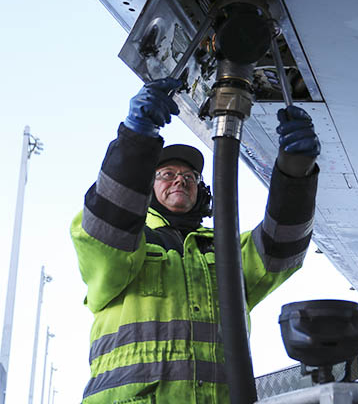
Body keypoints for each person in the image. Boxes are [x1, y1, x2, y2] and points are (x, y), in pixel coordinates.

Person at [70, 78, 320, 403]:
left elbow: (282, 248)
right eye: (167, 174)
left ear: (200, 190)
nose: (180, 180)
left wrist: (296, 170)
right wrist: (135, 140)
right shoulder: (127, 241)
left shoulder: (226, 251)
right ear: (147, 187)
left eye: (189, 177)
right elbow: (107, 225)